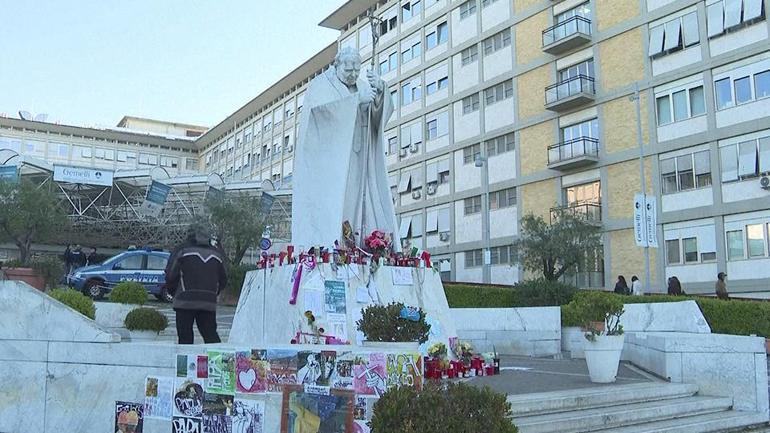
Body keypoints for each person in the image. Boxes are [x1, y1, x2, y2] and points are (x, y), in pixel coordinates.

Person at [292, 46, 399, 250]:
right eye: (348, 71)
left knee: (360, 204)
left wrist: (380, 94)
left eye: (356, 71)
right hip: (334, 163)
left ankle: (361, 244)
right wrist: (356, 101)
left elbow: (377, 120)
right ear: (337, 65)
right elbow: (320, 116)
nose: (353, 75)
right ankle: (335, 245)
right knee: (339, 204)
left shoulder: (362, 85)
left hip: (360, 157)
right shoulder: (321, 85)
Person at [165, 222, 228, 344]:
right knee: (211, 337)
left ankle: (186, 363)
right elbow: (224, 278)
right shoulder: (217, 254)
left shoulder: (182, 250)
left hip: (184, 300)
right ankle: (216, 362)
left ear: (189, 234)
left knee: (185, 338)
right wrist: (213, 293)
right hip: (208, 301)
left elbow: (170, 275)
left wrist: (174, 293)